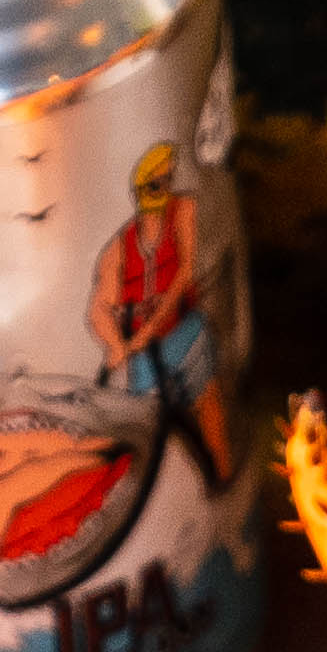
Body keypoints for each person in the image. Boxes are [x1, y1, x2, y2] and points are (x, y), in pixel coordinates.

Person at [89, 141, 228, 485]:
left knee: (206, 400)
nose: (165, 188)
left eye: (167, 179)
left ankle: (222, 477)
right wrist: (116, 345)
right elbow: (99, 307)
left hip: (183, 330)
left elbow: (184, 275)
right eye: (157, 183)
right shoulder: (118, 249)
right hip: (143, 355)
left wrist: (148, 330)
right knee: (146, 429)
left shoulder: (184, 210)